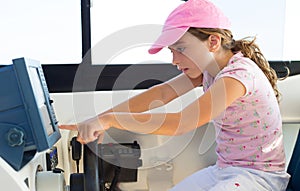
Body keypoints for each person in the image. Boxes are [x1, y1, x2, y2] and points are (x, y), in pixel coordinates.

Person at [60, 0, 290, 190]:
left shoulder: (237, 75)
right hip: (224, 170)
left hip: (259, 178)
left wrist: (110, 120)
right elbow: (160, 93)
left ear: (213, 41)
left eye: (181, 49)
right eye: (172, 51)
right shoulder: (208, 70)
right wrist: (100, 118)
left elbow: (182, 122)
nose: (175, 61)